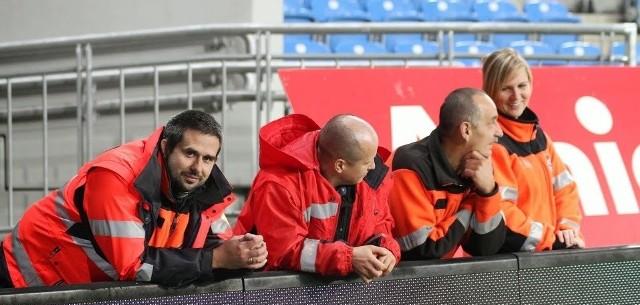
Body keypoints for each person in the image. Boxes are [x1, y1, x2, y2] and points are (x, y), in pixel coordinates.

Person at [0, 109, 268, 288]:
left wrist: (245, 254)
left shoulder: (204, 189)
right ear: (165, 147)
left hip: (78, 297)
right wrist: (218, 259)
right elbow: (135, 267)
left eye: (208, 159)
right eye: (190, 153)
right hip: (23, 279)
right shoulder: (116, 177)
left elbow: (218, 249)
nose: (198, 168)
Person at [234, 113, 400, 283]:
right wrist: (349, 258)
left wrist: (386, 249)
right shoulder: (280, 184)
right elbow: (283, 252)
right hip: (276, 296)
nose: (373, 166)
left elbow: (381, 224)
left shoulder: (368, 179)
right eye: (367, 162)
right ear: (340, 165)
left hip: (338, 297)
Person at [482, 48, 584, 252]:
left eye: (522, 86)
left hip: (546, 253)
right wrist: (551, 240)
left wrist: (566, 230)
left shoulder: (539, 136)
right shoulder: (491, 143)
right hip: (512, 263)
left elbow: (566, 189)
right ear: (491, 91)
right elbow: (502, 212)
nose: (516, 96)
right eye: (506, 88)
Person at [388, 87, 506, 259]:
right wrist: (470, 206)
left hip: (437, 282)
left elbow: (485, 248)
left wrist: (488, 191)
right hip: (393, 284)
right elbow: (423, 252)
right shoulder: (409, 168)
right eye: (491, 123)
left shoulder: (479, 167)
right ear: (466, 130)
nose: (499, 132)